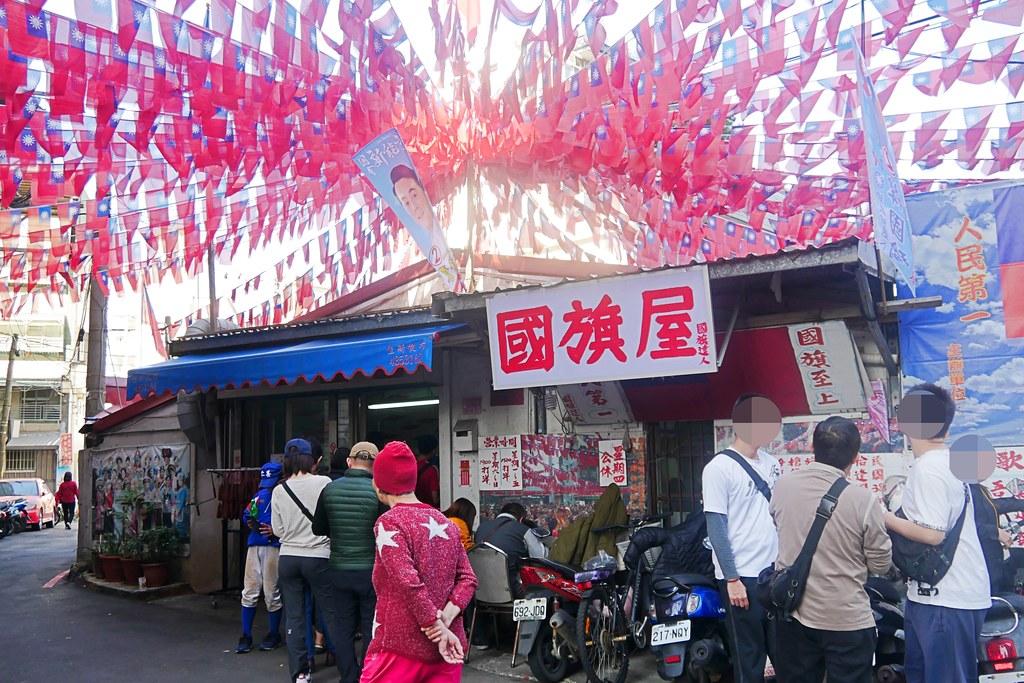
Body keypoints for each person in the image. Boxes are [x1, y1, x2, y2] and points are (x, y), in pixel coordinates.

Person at [770, 417, 892, 683]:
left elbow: (781, 527)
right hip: (847, 620)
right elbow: (881, 565)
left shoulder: (782, 487)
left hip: (793, 615)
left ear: (812, 449)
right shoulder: (863, 501)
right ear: (856, 457)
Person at [884, 384, 990, 683]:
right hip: (936, 595)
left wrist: (884, 518)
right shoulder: (946, 461)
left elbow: (933, 534)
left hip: (946, 597)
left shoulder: (929, 467)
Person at [360, 441, 477, 683]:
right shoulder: (446, 521)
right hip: (447, 648)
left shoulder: (389, 522)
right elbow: (468, 579)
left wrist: (435, 625)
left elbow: (407, 581)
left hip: (398, 647)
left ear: (379, 484)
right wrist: (445, 620)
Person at [702, 393, 782, 683]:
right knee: (749, 659)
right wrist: (732, 580)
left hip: (774, 574)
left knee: (784, 654)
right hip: (742, 578)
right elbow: (716, 527)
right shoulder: (718, 468)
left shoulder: (772, 463)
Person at [271, 438, 341, 683]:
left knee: (295, 616)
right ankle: (346, 665)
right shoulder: (323, 482)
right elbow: (332, 519)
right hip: (318, 557)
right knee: (331, 612)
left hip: (288, 558)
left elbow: (277, 531)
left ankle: (300, 673)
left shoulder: (279, 490)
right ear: (310, 459)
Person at [313, 441, 382, 683]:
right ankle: (368, 674)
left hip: (339, 568)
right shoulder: (378, 492)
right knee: (370, 625)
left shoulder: (330, 489)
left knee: (342, 626)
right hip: (370, 570)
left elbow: (318, 527)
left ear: (349, 462)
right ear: (375, 466)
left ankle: (349, 676)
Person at [236, 461, 284, 655]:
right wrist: (250, 522)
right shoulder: (260, 495)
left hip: (274, 547)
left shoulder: (284, 497)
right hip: (255, 546)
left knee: (272, 592)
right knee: (250, 590)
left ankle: (274, 633)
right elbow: (247, 514)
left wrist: (277, 531)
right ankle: (246, 634)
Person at [973, 482, 1024, 593]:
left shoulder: (976, 487)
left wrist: (1020, 504)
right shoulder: (962, 488)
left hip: (995, 560)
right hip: (979, 563)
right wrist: (995, 532)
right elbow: (963, 525)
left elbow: (995, 506)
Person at [414, 435, 440, 509]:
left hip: (414, 509)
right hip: (429, 510)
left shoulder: (410, 466)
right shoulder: (432, 470)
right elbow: (435, 499)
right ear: (433, 451)